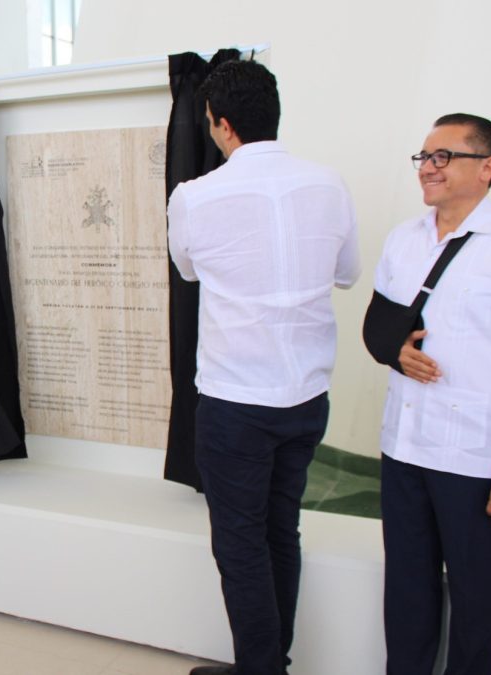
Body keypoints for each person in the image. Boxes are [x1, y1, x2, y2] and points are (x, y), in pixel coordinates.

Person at [166, 61, 361, 675]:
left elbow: (188, 270)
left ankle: (262, 668)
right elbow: (348, 272)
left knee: (241, 544)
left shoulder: (194, 196)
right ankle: (272, 660)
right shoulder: (329, 184)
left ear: (221, 126)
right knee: (282, 531)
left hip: (235, 400)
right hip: (305, 397)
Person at [375, 114, 491, 675]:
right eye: (424, 157)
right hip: (403, 445)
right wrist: (394, 351)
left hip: (475, 457)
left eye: (443, 157)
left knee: (475, 599)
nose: (428, 168)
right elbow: (379, 328)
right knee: (406, 592)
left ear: (487, 167)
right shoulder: (403, 239)